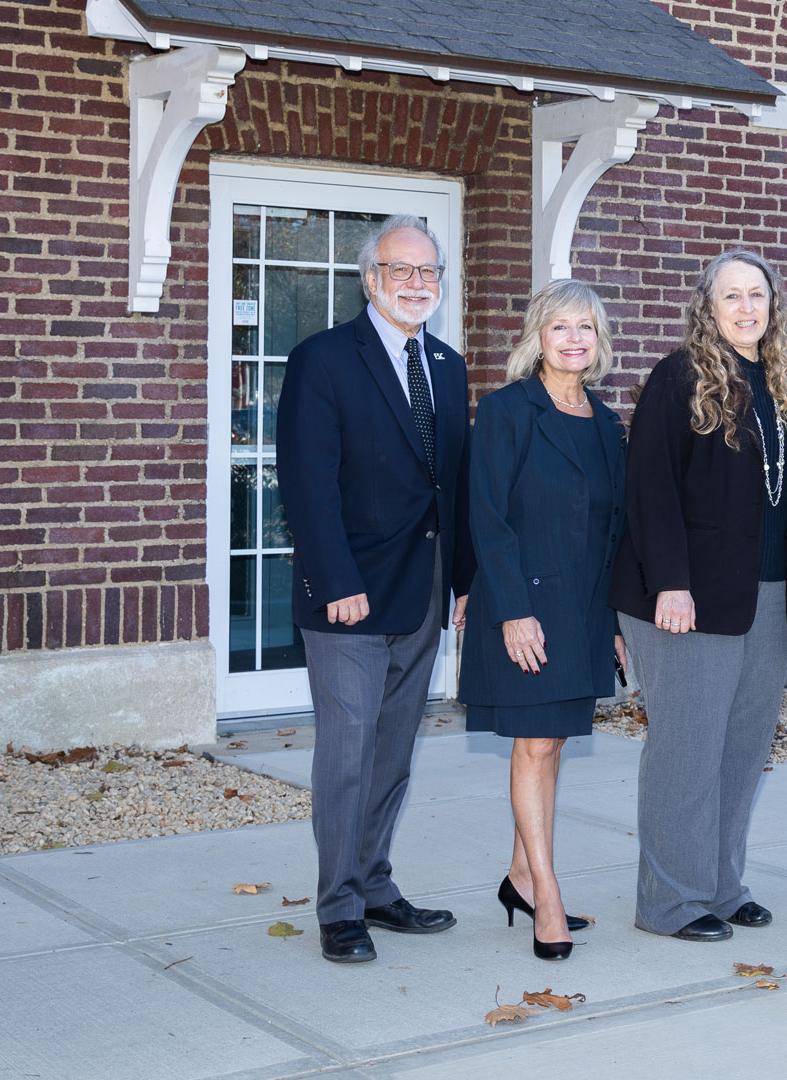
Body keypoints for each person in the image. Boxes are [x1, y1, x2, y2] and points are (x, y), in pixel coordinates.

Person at [276, 214, 475, 965]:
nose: (417, 284)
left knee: (393, 752)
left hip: (421, 591)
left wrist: (462, 582)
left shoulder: (448, 366)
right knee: (349, 753)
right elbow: (307, 481)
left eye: (429, 273)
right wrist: (335, 580)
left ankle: (376, 885)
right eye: (401, 271)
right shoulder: (322, 360)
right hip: (349, 597)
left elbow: (450, 487)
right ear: (370, 280)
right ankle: (338, 907)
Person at [611, 250, 787, 942]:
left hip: (765, 593)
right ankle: (671, 902)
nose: (747, 307)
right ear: (708, 306)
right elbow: (649, 486)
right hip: (688, 597)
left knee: (741, 747)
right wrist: (671, 581)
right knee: (686, 749)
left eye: (757, 294)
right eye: (732, 296)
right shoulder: (679, 377)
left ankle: (721, 887)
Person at [459, 279, 626, 962]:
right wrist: (513, 612)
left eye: (586, 326)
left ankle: (521, 876)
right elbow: (488, 517)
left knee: (553, 744)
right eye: (561, 327)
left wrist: (611, 618)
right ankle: (547, 896)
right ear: (538, 336)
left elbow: (614, 527)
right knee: (534, 745)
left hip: (584, 608)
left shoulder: (608, 421)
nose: (575, 339)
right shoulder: (506, 411)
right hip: (525, 604)